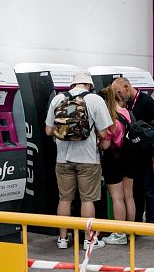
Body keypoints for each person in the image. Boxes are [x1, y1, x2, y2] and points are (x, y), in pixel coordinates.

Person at [45, 71, 113, 249]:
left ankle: (62, 239)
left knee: (64, 199)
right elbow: (104, 133)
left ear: (72, 84)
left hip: (63, 159)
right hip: (88, 159)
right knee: (87, 200)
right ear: (89, 85)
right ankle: (88, 240)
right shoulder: (95, 100)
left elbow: (48, 130)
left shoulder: (58, 99)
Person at [112, 76, 154, 223]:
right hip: (132, 154)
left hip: (147, 151)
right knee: (135, 190)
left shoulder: (147, 102)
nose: (118, 96)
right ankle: (137, 222)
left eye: (119, 92)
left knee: (149, 189)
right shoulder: (125, 104)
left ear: (127, 87)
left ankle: (153, 224)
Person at [97, 86, 135, 245]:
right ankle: (130, 232)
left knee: (117, 198)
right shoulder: (126, 112)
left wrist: (98, 143)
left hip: (113, 159)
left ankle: (119, 235)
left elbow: (106, 145)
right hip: (129, 157)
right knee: (129, 196)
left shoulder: (110, 117)